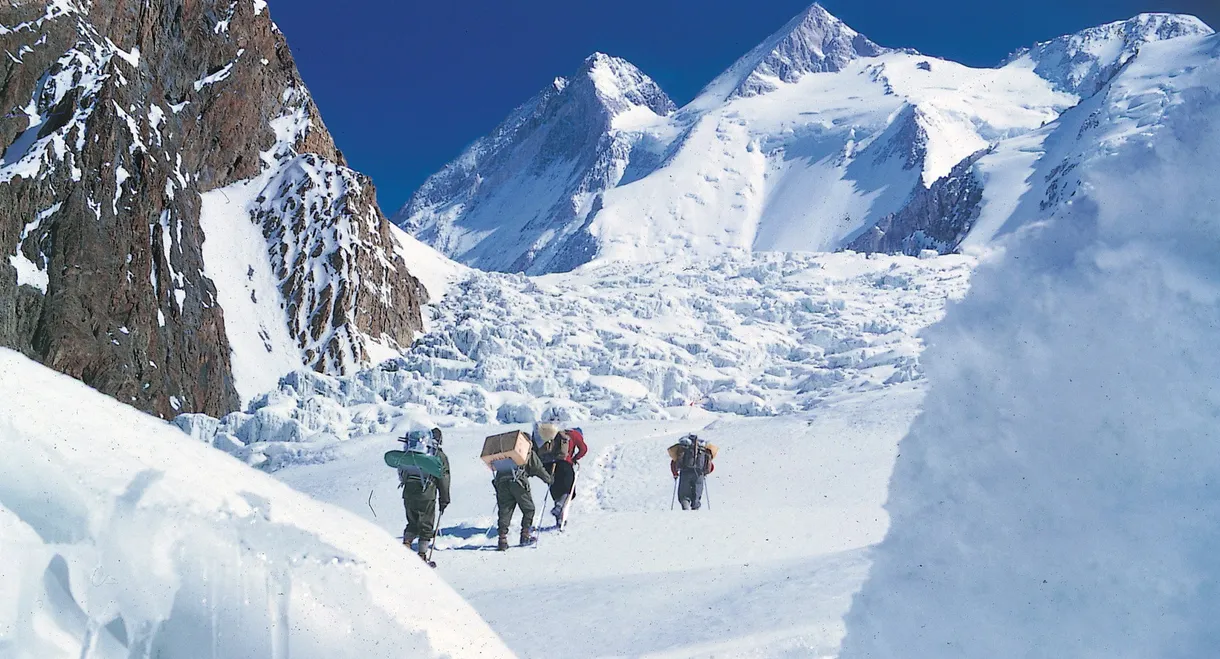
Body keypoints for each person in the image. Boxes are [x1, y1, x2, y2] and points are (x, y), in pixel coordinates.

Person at [400, 427, 451, 563]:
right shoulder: (438, 455)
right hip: (426, 495)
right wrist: (444, 499)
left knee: (412, 522)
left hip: (408, 492)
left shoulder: (411, 452)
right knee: (426, 525)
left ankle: (406, 546)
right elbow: (444, 478)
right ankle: (422, 555)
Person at [493, 439, 553, 550]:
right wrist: (549, 479)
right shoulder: (526, 451)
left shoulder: (506, 452)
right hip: (518, 483)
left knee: (505, 511)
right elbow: (538, 468)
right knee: (529, 509)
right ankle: (525, 535)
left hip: (501, 483)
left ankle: (502, 539)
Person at [544, 427, 588, 528]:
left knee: (557, 491)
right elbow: (583, 449)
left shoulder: (559, 433)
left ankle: (559, 518)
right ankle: (559, 508)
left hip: (548, 465)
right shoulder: (575, 434)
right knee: (569, 490)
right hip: (564, 464)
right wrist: (574, 459)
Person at [670, 434, 714, 510]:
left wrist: (675, 474)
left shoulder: (684, 448)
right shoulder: (703, 450)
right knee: (696, 494)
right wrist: (705, 472)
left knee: (684, 495)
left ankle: (686, 510)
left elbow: (673, 463)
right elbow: (711, 466)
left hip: (685, 472)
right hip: (699, 474)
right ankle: (695, 511)